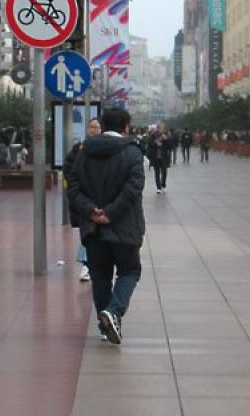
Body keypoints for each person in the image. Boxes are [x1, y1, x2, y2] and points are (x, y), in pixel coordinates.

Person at [66, 107, 146, 345]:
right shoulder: (132, 152)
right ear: (126, 127)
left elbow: (74, 187)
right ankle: (113, 312)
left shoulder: (84, 152)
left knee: (100, 277)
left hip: (93, 228)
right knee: (129, 271)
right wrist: (110, 213)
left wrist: (92, 211)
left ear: (102, 124)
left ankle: (106, 327)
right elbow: (134, 187)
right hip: (124, 226)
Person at [66, 118, 103, 283]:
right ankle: (87, 265)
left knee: (94, 232)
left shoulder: (106, 148)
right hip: (84, 198)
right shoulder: (79, 148)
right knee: (88, 230)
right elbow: (69, 169)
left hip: (101, 197)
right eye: (91, 126)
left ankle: (91, 264)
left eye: (97, 127)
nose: (94, 129)